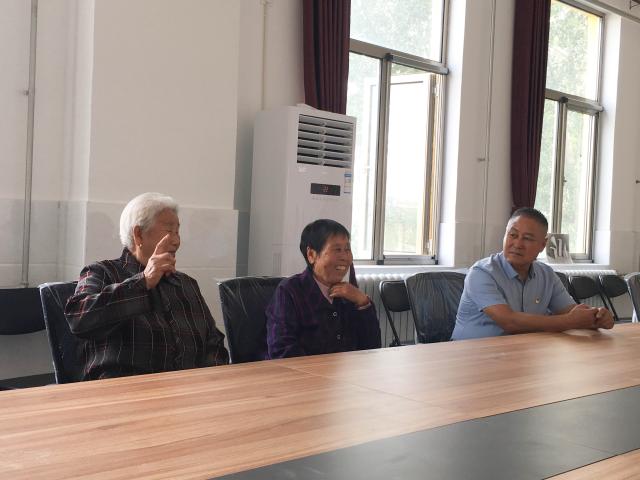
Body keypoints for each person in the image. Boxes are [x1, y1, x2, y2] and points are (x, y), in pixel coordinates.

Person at [65, 192, 228, 380]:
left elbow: (213, 342)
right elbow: (79, 319)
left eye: (177, 232)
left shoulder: (186, 284)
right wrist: (143, 281)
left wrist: (209, 380)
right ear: (139, 235)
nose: (176, 241)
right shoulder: (102, 272)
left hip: (186, 390)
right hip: (124, 390)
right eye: (169, 231)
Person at [451, 207, 614, 340]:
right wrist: (570, 321)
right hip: (470, 354)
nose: (517, 244)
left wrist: (597, 317)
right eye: (513, 235)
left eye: (527, 238)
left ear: (543, 244)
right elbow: (509, 322)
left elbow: (571, 311)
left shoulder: (546, 275)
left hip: (521, 351)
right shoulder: (481, 273)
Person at [266, 219, 381, 358]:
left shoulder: (350, 294)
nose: (345, 257)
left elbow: (372, 348)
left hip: (346, 370)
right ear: (311, 255)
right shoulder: (289, 291)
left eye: (347, 249)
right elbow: (282, 351)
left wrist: (363, 302)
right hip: (305, 371)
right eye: (337, 249)